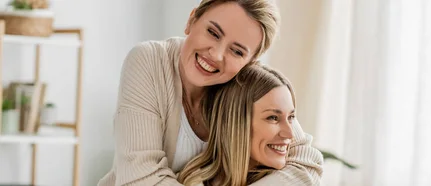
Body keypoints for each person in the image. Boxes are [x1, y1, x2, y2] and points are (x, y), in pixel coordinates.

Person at [98, 0, 323, 185]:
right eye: (213, 33)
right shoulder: (149, 62)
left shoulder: (243, 85)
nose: (216, 54)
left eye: (236, 51)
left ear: (250, 63)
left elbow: (306, 162)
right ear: (191, 20)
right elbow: (141, 178)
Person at [177, 64, 304, 186]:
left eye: (291, 117)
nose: (290, 134)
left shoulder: (297, 177)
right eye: (273, 118)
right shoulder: (190, 181)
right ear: (237, 123)